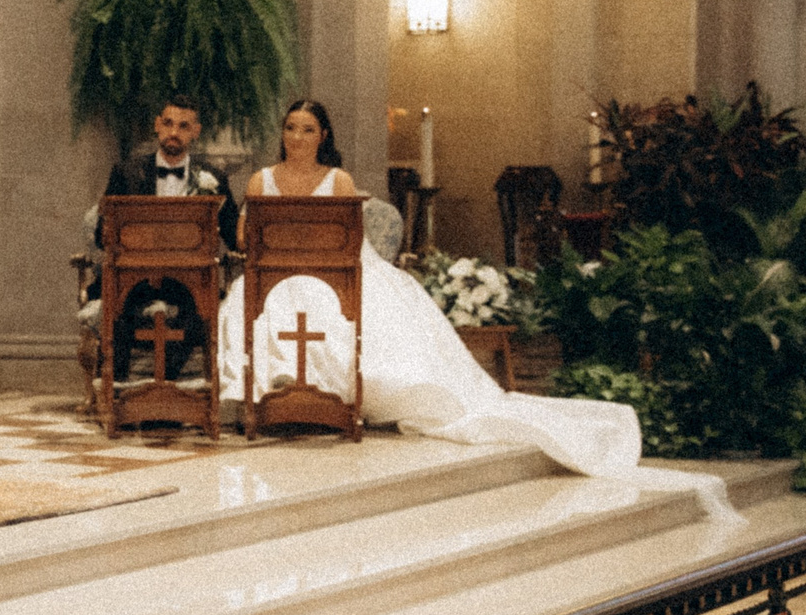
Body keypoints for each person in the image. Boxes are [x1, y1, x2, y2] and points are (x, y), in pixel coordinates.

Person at [216, 99, 652, 481]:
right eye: (290, 128)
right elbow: (242, 238)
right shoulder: (262, 180)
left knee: (337, 306)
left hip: (336, 268)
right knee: (251, 301)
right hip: (275, 269)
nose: (297, 136)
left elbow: (348, 239)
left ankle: (337, 399)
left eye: (307, 129)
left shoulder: (338, 181)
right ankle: (274, 397)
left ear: (323, 136)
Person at [98, 94, 236, 380]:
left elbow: (234, 235)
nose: (174, 133)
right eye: (169, 123)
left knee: (200, 314)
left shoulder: (213, 179)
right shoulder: (126, 173)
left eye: (184, 126)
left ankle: (163, 390)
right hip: (134, 277)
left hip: (186, 281)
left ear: (196, 131)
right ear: (157, 125)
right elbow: (103, 235)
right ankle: (118, 396)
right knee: (117, 310)